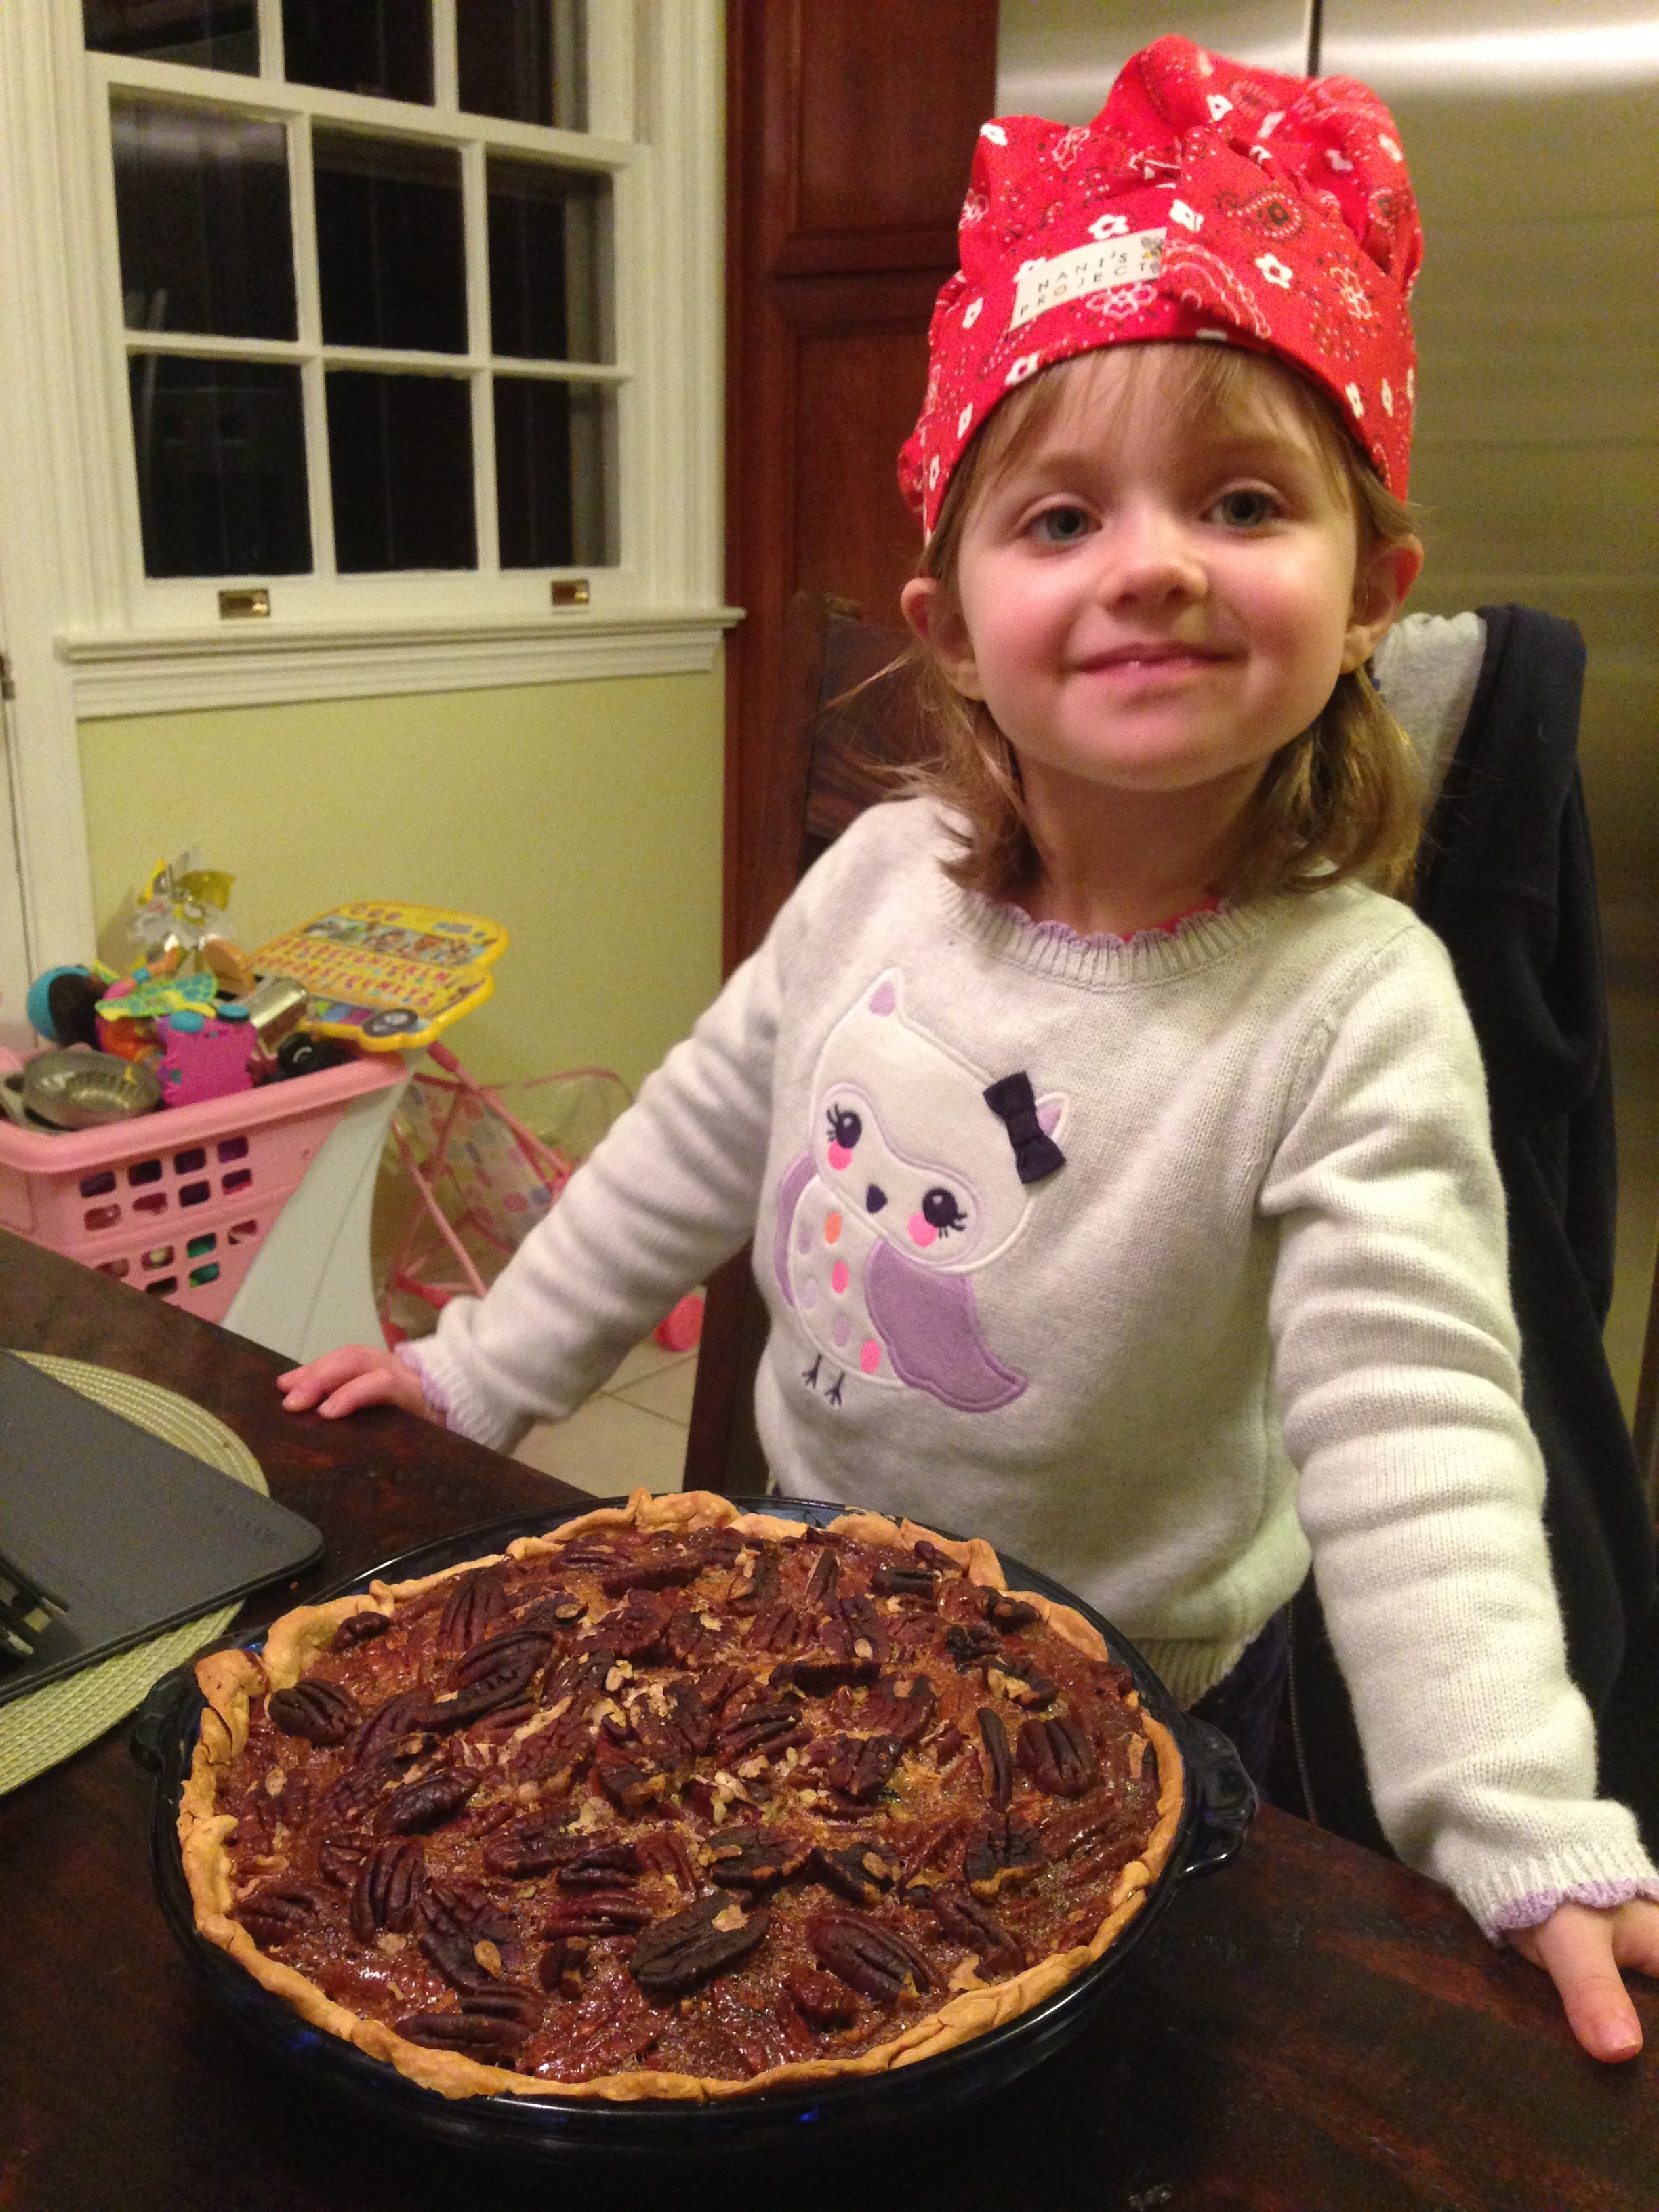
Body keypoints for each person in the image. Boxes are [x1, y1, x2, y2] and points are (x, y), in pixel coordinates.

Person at [279, 36, 1659, 2060]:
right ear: (951, 622)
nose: (1154, 562)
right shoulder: (875, 884)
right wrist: (477, 1375)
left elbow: (1420, 1428)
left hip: (1150, 1682)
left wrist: (1517, 1813)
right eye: (1064, 516)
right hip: (810, 1593)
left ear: (1373, 594)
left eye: (1244, 500)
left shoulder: (1356, 1006)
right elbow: (688, 1147)